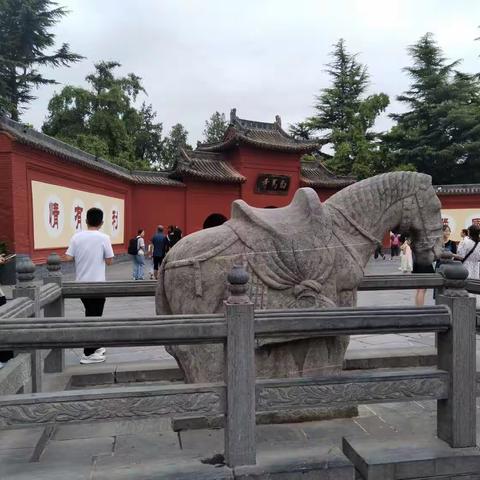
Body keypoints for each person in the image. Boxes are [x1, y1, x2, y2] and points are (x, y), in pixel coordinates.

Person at [65, 207, 114, 364]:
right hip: (98, 284)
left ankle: (96, 345)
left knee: (91, 313)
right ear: (101, 222)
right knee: (94, 317)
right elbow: (109, 261)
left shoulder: (76, 237)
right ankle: (88, 353)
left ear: (86, 221)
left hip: (81, 284)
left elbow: (67, 257)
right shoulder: (104, 237)